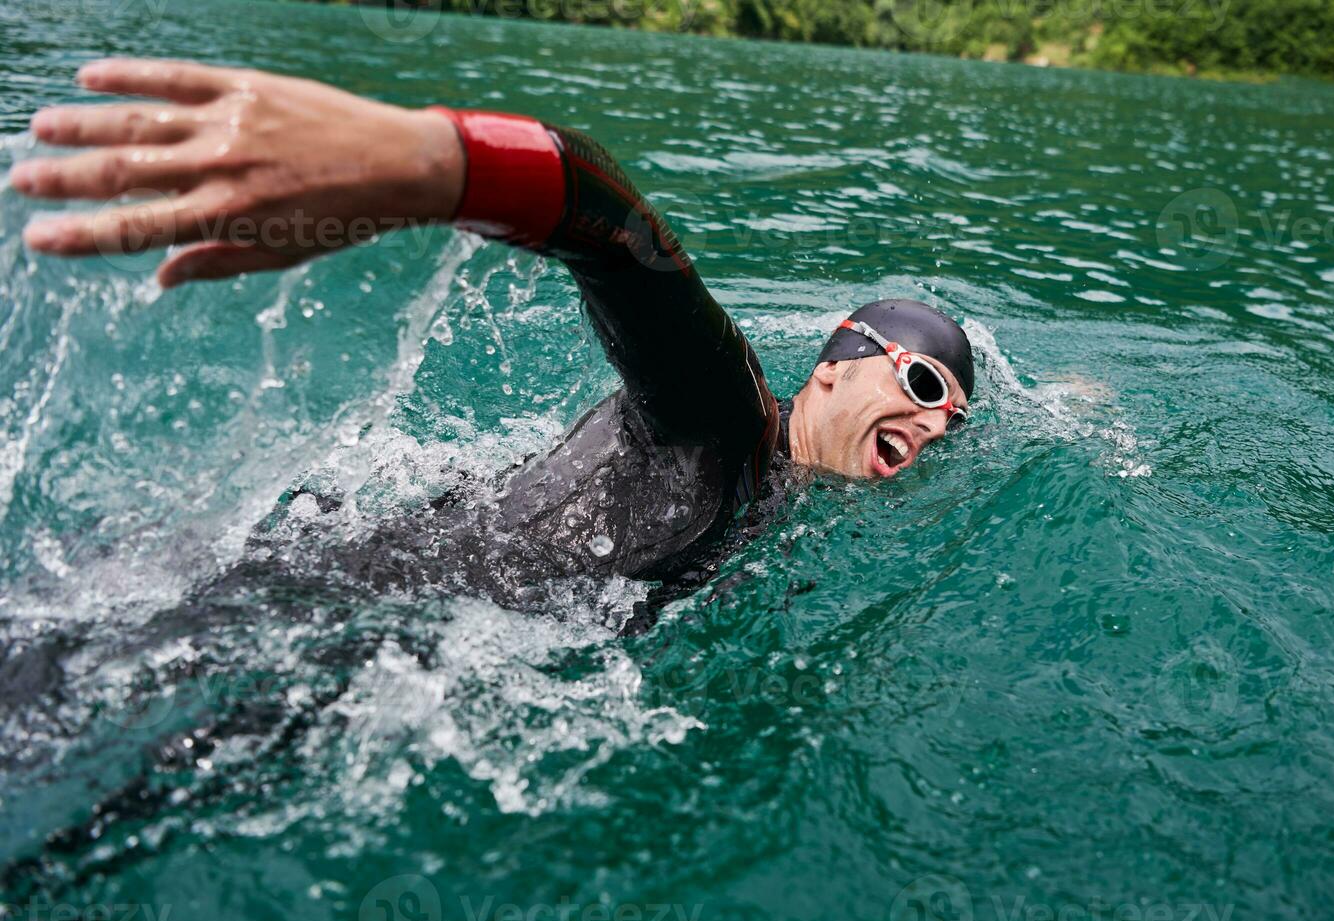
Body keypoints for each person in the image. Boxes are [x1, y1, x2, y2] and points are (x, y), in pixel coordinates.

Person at [8, 59, 976, 604]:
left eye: (954, 420)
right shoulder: (726, 419)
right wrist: (423, 159)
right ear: (839, 363)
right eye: (923, 386)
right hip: (323, 612)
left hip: (361, 596)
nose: (935, 425)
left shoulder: (775, 494)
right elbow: (626, 240)